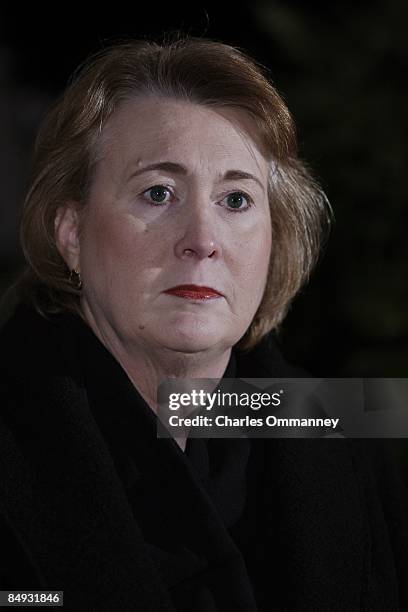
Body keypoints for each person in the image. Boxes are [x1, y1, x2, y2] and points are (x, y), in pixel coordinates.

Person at [0, 36, 407, 611]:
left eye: (236, 200)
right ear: (71, 233)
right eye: (158, 193)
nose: (202, 241)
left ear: (276, 235)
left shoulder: (343, 428)